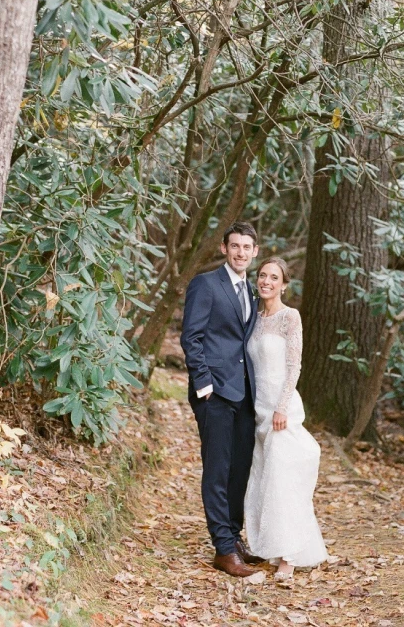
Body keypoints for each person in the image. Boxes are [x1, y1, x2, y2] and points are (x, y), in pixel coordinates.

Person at [180, 221, 264, 577]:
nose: (240, 252)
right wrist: (204, 385)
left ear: (254, 251)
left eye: (246, 247)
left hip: (244, 394)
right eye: (235, 246)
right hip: (214, 394)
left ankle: (233, 535)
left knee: (239, 469)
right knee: (217, 469)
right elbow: (191, 337)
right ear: (223, 248)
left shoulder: (252, 291)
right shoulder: (206, 284)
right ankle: (223, 549)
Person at [244, 256, 327, 578]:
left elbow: (294, 366)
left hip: (281, 406)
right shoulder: (253, 316)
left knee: (283, 480)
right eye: (262, 275)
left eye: (273, 277)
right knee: (264, 479)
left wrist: (282, 407)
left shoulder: (289, 317)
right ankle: (270, 545)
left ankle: (289, 557)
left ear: (284, 284)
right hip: (257, 407)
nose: (266, 281)